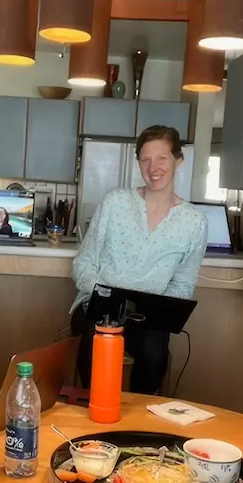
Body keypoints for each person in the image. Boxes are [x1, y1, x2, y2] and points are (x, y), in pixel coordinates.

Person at [70, 125, 207, 396]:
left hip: (149, 318)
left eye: (162, 158)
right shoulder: (115, 202)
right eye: (145, 159)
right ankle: (93, 410)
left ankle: (136, 419)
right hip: (100, 307)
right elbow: (82, 265)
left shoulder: (194, 222)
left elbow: (183, 285)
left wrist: (156, 309)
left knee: (154, 352)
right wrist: (106, 294)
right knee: (96, 343)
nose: (153, 167)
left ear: (178, 160)